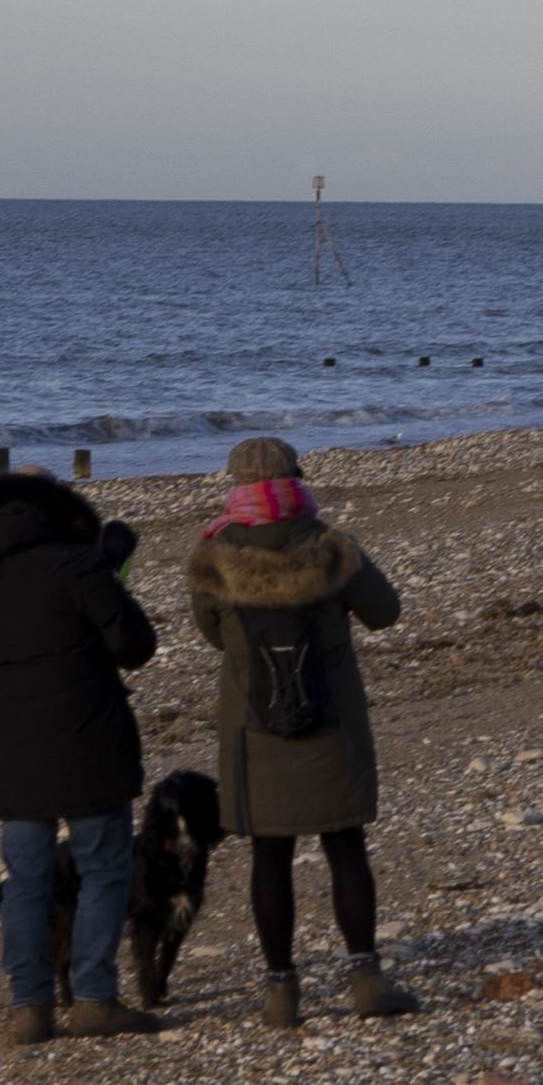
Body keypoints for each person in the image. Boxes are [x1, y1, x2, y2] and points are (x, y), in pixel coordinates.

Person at [185, 433, 410, 1024]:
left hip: (254, 726)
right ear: (296, 480)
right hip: (332, 719)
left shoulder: (213, 555)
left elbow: (211, 634)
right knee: (345, 846)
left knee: (269, 856)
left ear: (236, 487)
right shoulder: (333, 547)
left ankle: (281, 993)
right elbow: (385, 613)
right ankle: (365, 981)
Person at [0, 462, 154, 1043]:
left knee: (28, 879)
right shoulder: (78, 565)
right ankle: (93, 997)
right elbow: (135, 646)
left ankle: (28, 1006)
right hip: (88, 735)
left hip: (12, 745)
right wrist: (111, 576)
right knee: (105, 868)